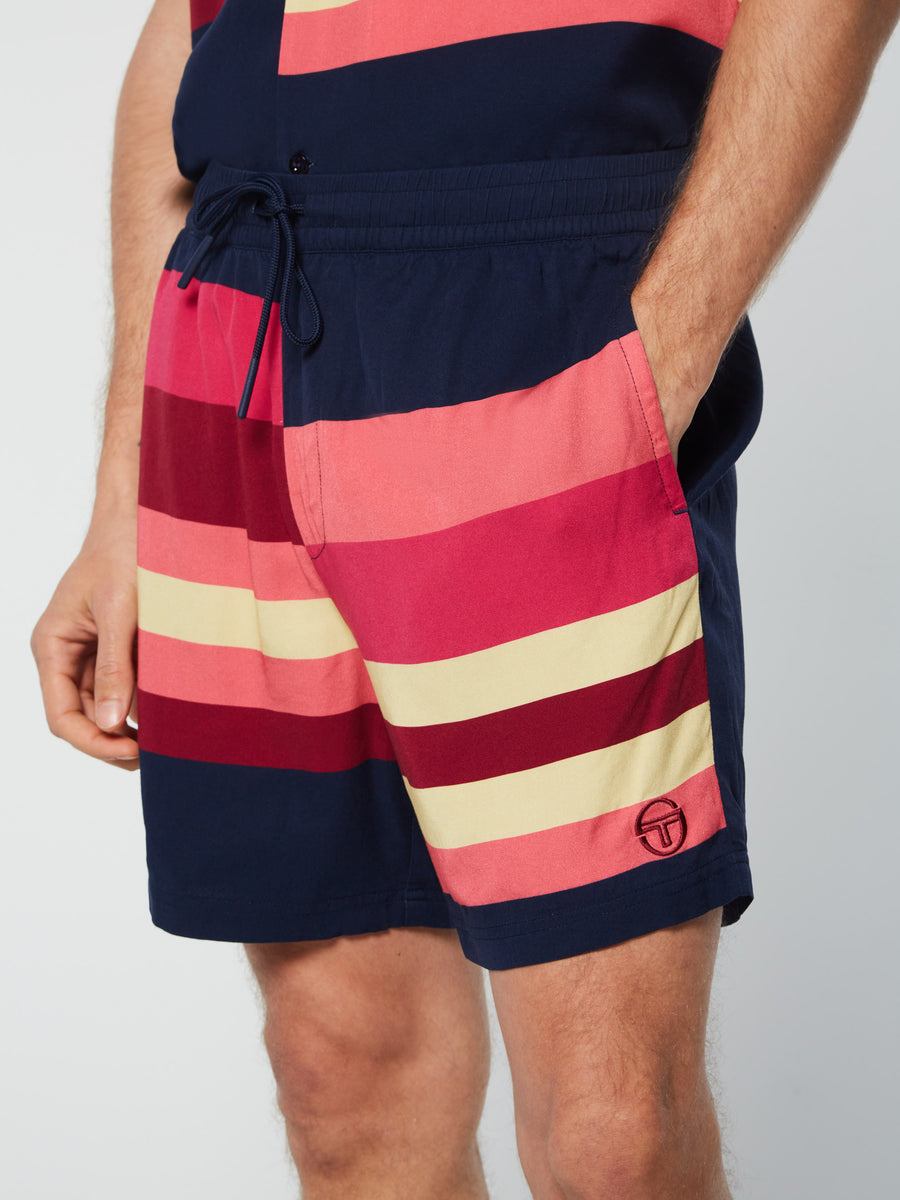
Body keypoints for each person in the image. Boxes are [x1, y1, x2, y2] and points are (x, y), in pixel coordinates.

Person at [30, 1, 899, 1196]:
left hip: (535, 309)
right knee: (341, 1079)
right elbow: (181, 31)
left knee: (613, 1139)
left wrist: (661, 357)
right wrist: (123, 491)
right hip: (237, 333)